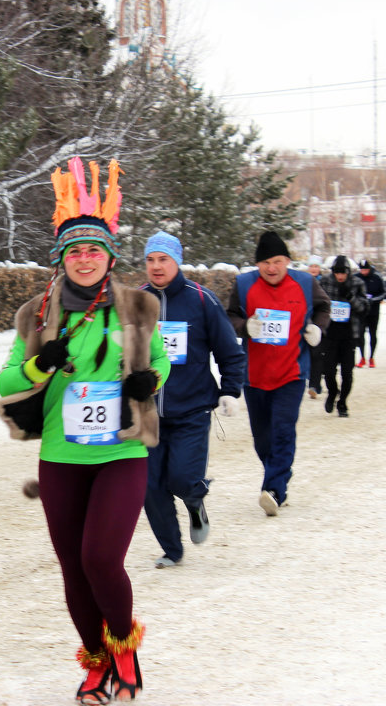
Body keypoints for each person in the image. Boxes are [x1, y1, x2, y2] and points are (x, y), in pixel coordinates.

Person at [0, 158, 170, 703]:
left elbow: (160, 362)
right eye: (75, 250)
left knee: (101, 558)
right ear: (61, 258)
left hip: (120, 452)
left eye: (95, 249)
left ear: (110, 256)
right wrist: (39, 364)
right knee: (73, 568)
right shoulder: (35, 312)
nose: (85, 258)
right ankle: (96, 665)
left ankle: (124, 649)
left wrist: (146, 379)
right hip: (60, 454)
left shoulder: (138, 306)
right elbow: (6, 381)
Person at [139, 231, 244, 569]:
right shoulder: (135, 302)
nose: (156, 266)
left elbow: (230, 351)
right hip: (147, 413)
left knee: (182, 478)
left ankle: (194, 500)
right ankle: (172, 549)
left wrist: (230, 389)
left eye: (163, 259)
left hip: (192, 408)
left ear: (177, 261)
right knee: (149, 486)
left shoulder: (201, 300)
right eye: (150, 260)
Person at [226, 231, 330, 516]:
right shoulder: (244, 284)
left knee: (283, 429)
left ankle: (272, 488)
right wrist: (245, 326)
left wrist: (317, 329)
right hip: (255, 375)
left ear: (287, 261)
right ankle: (280, 473)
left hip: (291, 373)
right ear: (257, 264)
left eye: (278, 261)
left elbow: (323, 307)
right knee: (263, 440)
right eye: (265, 263)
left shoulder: (306, 283)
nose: (272, 268)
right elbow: (230, 315)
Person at [319, 257, 367, 417]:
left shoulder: (357, 283)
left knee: (347, 373)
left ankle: (343, 402)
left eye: (343, 273)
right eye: (337, 272)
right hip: (330, 334)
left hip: (349, 335)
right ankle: (333, 392)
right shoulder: (325, 282)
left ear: (348, 272)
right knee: (329, 371)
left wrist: (351, 298)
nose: (340, 276)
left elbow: (364, 308)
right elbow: (317, 304)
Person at [352, 259, 385, 367]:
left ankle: (371, 357)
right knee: (360, 334)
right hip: (361, 311)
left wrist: (374, 299)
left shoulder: (377, 277)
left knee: (373, 334)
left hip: (373, 311)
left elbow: (384, 292)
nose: (363, 272)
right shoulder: (356, 277)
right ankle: (362, 357)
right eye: (362, 269)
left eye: (365, 269)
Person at [305, 255, 325, 397]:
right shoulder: (303, 282)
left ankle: (314, 384)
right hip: (304, 322)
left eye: (316, 266)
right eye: (312, 266)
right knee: (307, 354)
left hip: (319, 323)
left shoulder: (325, 282)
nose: (314, 269)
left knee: (317, 354)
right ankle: (311, 380)